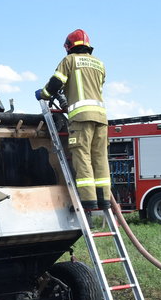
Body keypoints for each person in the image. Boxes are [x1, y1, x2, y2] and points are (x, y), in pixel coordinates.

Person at [35, 29, 110, 211]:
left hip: (81, 118)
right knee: (100, 157)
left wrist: (43, 94)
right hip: (101, 117)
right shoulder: (100, 64)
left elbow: (56, 83)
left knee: (82, 155)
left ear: (69, 46)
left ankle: (88, 200)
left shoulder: (69, 61)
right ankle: (104, 198)